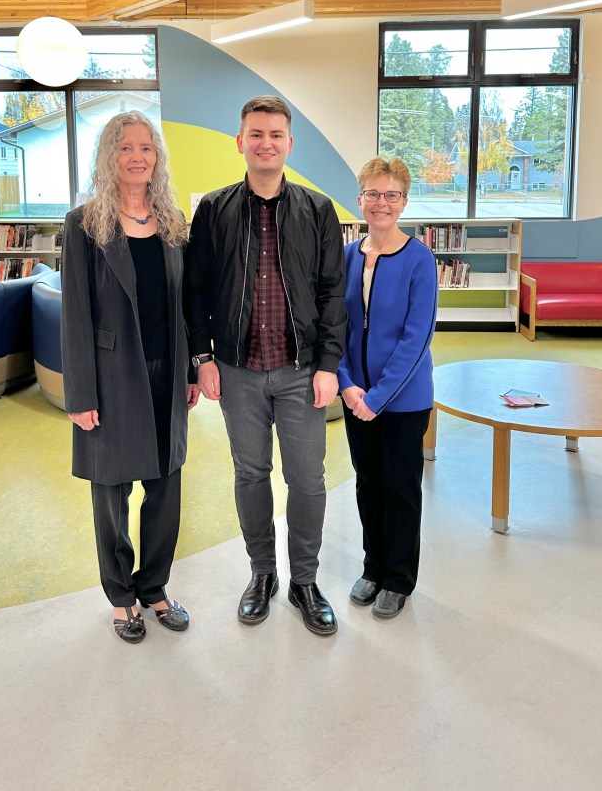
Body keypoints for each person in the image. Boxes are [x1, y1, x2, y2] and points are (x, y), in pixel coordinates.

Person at [186, 95, 346, 636]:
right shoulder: (213, 209)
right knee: (251, 473)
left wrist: (328, 364)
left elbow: (332, 294)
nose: (266, 143)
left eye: (276, 134)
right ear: (240, 142)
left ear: (289, 144)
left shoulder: (318, 210)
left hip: (302, 371)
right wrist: (203, 356)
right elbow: (197, 290)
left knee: (307, 481)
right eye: (256, 133)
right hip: (238, 370)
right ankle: (262, 574)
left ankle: (304, 581)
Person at [61, 111, 199, 644]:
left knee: (165, 489)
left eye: (146, 147)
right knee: (112, 494)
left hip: (167, 374)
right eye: (125, 148)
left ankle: (155, 587)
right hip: (112, 376)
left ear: (157, 158)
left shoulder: (172, 222)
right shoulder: (83, 224)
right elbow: (74, 315)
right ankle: (121, 598)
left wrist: (189, 370)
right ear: (108, 157)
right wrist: (80, 394)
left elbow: (183, 307)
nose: (137, 156)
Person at [338, 156, 437, 619]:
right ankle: (373, 567)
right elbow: (333, 327)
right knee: (367, 484)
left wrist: (376, 398)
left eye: (391, 194)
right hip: (357, 399)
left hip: (402, 402)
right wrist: (348, 386)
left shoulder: (420, 259)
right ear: (360, 199)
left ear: (404, 201)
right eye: (373, 193)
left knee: (399, 488)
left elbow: (416, 339)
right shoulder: (345, 256)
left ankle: (398, 578)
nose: (381, 203)